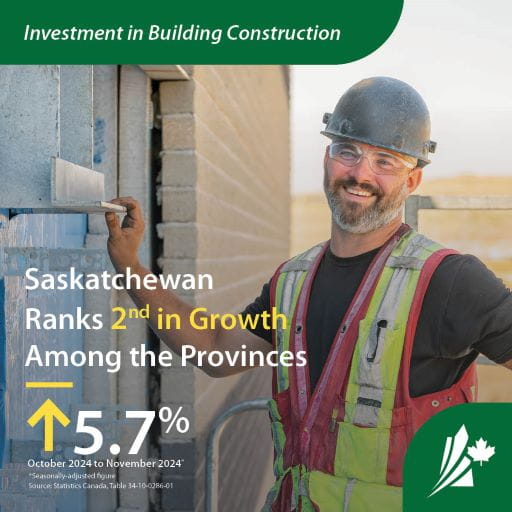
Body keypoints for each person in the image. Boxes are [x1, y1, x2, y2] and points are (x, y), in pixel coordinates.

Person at [105, 77, 512, 511]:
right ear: (327, 157)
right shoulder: (292, 281)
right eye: (348, 151)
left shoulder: (448, 281)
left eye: (385, 161)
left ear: (412, 181)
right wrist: (131, 266)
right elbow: (215, 350)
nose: (360, 174)